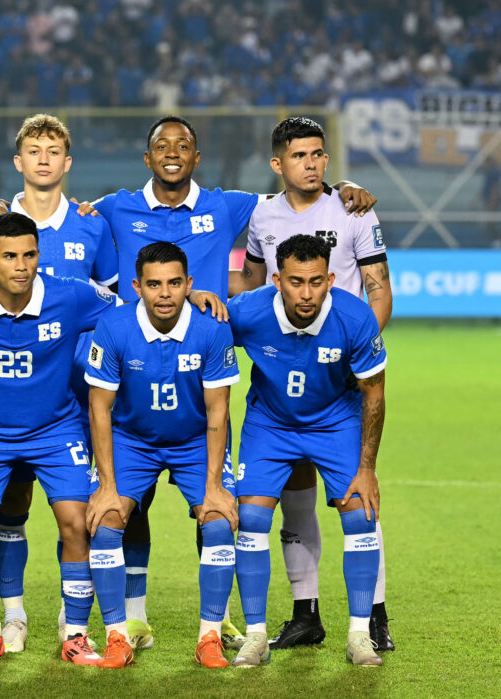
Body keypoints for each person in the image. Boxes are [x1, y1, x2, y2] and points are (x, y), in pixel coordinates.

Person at [0, 115, 377, 650]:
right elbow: (51, 200)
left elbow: (291, 189)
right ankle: (130, 619)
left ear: (196, 157)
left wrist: (341, 189)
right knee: (121, 504)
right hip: (130, 370)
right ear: (147, 159)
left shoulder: (228, 204)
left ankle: (221, 620)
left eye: (183, 145)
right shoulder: (114, 207)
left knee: (217, 507)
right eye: (161, 145)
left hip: (200, 364)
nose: (172, 152)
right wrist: (4, 207)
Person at [0, 212, 130, 668]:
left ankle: (76, 634)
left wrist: (192, 297)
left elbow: (127, 309)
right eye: (10, 256)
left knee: (79, 523)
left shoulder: (71, 294)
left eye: (30, 255)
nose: (22, 265)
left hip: (57, 429)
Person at [236, 116, 395, 651]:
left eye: (320, 154)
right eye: (301, 155)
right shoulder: (262, 215)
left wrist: (358, 349)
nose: (313, 163)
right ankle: (306, 614)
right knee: (295, 500)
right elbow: (255, 290)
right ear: (279, 163)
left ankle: (373, 617)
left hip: (339, 370)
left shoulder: (353, 208)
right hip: (281, 374)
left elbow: (379, 288)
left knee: (358, 497)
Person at [227, 234, 386, 667]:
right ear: (276, 279)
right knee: (253, 519)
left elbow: (374, 393)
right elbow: (205, 336)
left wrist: (367, 468)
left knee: (360, 515)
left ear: (331, 278)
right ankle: (255, 636)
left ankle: (359, 636)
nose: (306, 293)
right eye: (296, 282)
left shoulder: (355, 319)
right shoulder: (248, 312)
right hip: (270, 424)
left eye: (317, 282)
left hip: (335, 422)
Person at [0, 113, 119, 653]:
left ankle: (78, 625)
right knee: (10, 504)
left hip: (77, 395)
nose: (43, 159)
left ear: (67, 164)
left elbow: (113, 305)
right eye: (33, 150)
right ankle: (14, 615)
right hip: (7, 392)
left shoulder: (93, 224)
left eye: (53, 151)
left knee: (80, 511)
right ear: (18, 162)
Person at [86, 241, 240, 669]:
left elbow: (218, 410)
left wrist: (213, 487)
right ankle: (118, 637)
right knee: (105, 522)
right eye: (154, 284)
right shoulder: (114, 328)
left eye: (175, 283)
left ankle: (210, 636)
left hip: (194, 440)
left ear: (189, 284)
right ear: (137, 286)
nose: (165, 293)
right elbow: (99, 408)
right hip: (132, 440)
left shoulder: (211, 330)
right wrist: (107, 486)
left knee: (219, 520)